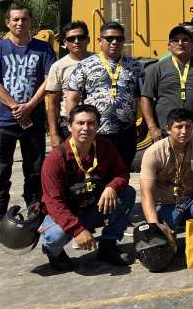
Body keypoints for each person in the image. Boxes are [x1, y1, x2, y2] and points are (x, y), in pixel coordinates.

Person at [0, 4, 56, 245]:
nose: (19, 23)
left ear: (30, 22)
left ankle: (34, 216)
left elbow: (48, 81)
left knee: (34, 171)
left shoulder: (44, 49)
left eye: (24, 19)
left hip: (33, 121)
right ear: (8, 23)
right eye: (15, 20)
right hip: (3, 122)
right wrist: (16, 107)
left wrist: (29, 107)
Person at [39, 105, 134, 270]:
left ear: (97, 126)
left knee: (127, 193)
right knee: (55, 237)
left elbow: (122, 173)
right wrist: (77, 230)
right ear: (69, 126)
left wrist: (112, 186)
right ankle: (54, 254)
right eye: (80, 123)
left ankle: (108, 246)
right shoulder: (55, 159)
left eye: (91, 123)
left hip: (92, 206)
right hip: (64, 212)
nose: (85, 128)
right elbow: (53, 202)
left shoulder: (105, 147)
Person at [65, 22, 145, 167]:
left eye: (119, 39)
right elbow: (72, 98)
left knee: (123, 173)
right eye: (109, 39)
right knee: (97, 174)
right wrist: (73, 127)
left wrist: (143, 124)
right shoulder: (85, 65)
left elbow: (142, 98)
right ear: (99, 41)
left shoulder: (135, 66)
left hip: (126, 133)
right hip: (95, 133)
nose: (114, 42)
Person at [140, 108, 193, 238]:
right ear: (168, 129)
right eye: (179, 127)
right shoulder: (153, 152)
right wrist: (154, 225)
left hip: (191, 202)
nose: (184, 131)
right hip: (164, 205)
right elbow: (146, 193)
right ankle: (161, 226)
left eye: (188, 126)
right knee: (162, 239)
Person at [141, 25, 193, 143]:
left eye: (185, 40)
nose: (180, 43)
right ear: (169, 46)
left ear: (192, 44)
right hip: (166, 130)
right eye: (175, 40)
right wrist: (152, 127)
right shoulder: (156, 68)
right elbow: (146, 99)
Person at [45, 21, 91, 146]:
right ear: (65, 43)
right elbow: (52, 104)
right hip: (69, 126)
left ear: (88, 39)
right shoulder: (58, 67)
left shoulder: (100, 61)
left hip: (97, 125)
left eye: (81, 37)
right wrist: (54, 134)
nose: (76, 41)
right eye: (71, 39)